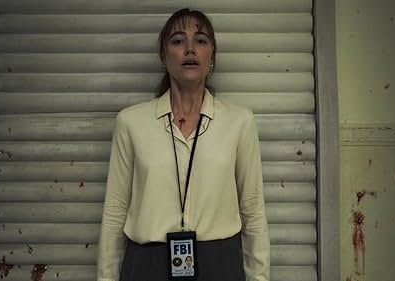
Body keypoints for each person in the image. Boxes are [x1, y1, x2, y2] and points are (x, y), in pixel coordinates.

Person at [97, 8, 270, 281]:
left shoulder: (239, 121)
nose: (190, 49)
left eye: (200, 40)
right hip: (146, 265)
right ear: (164, 56)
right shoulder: (131, 123)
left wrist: (259, 277)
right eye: (178, 40)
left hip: (220, 264)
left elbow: (252, 209)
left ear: (211, 55)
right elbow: (115, 210)